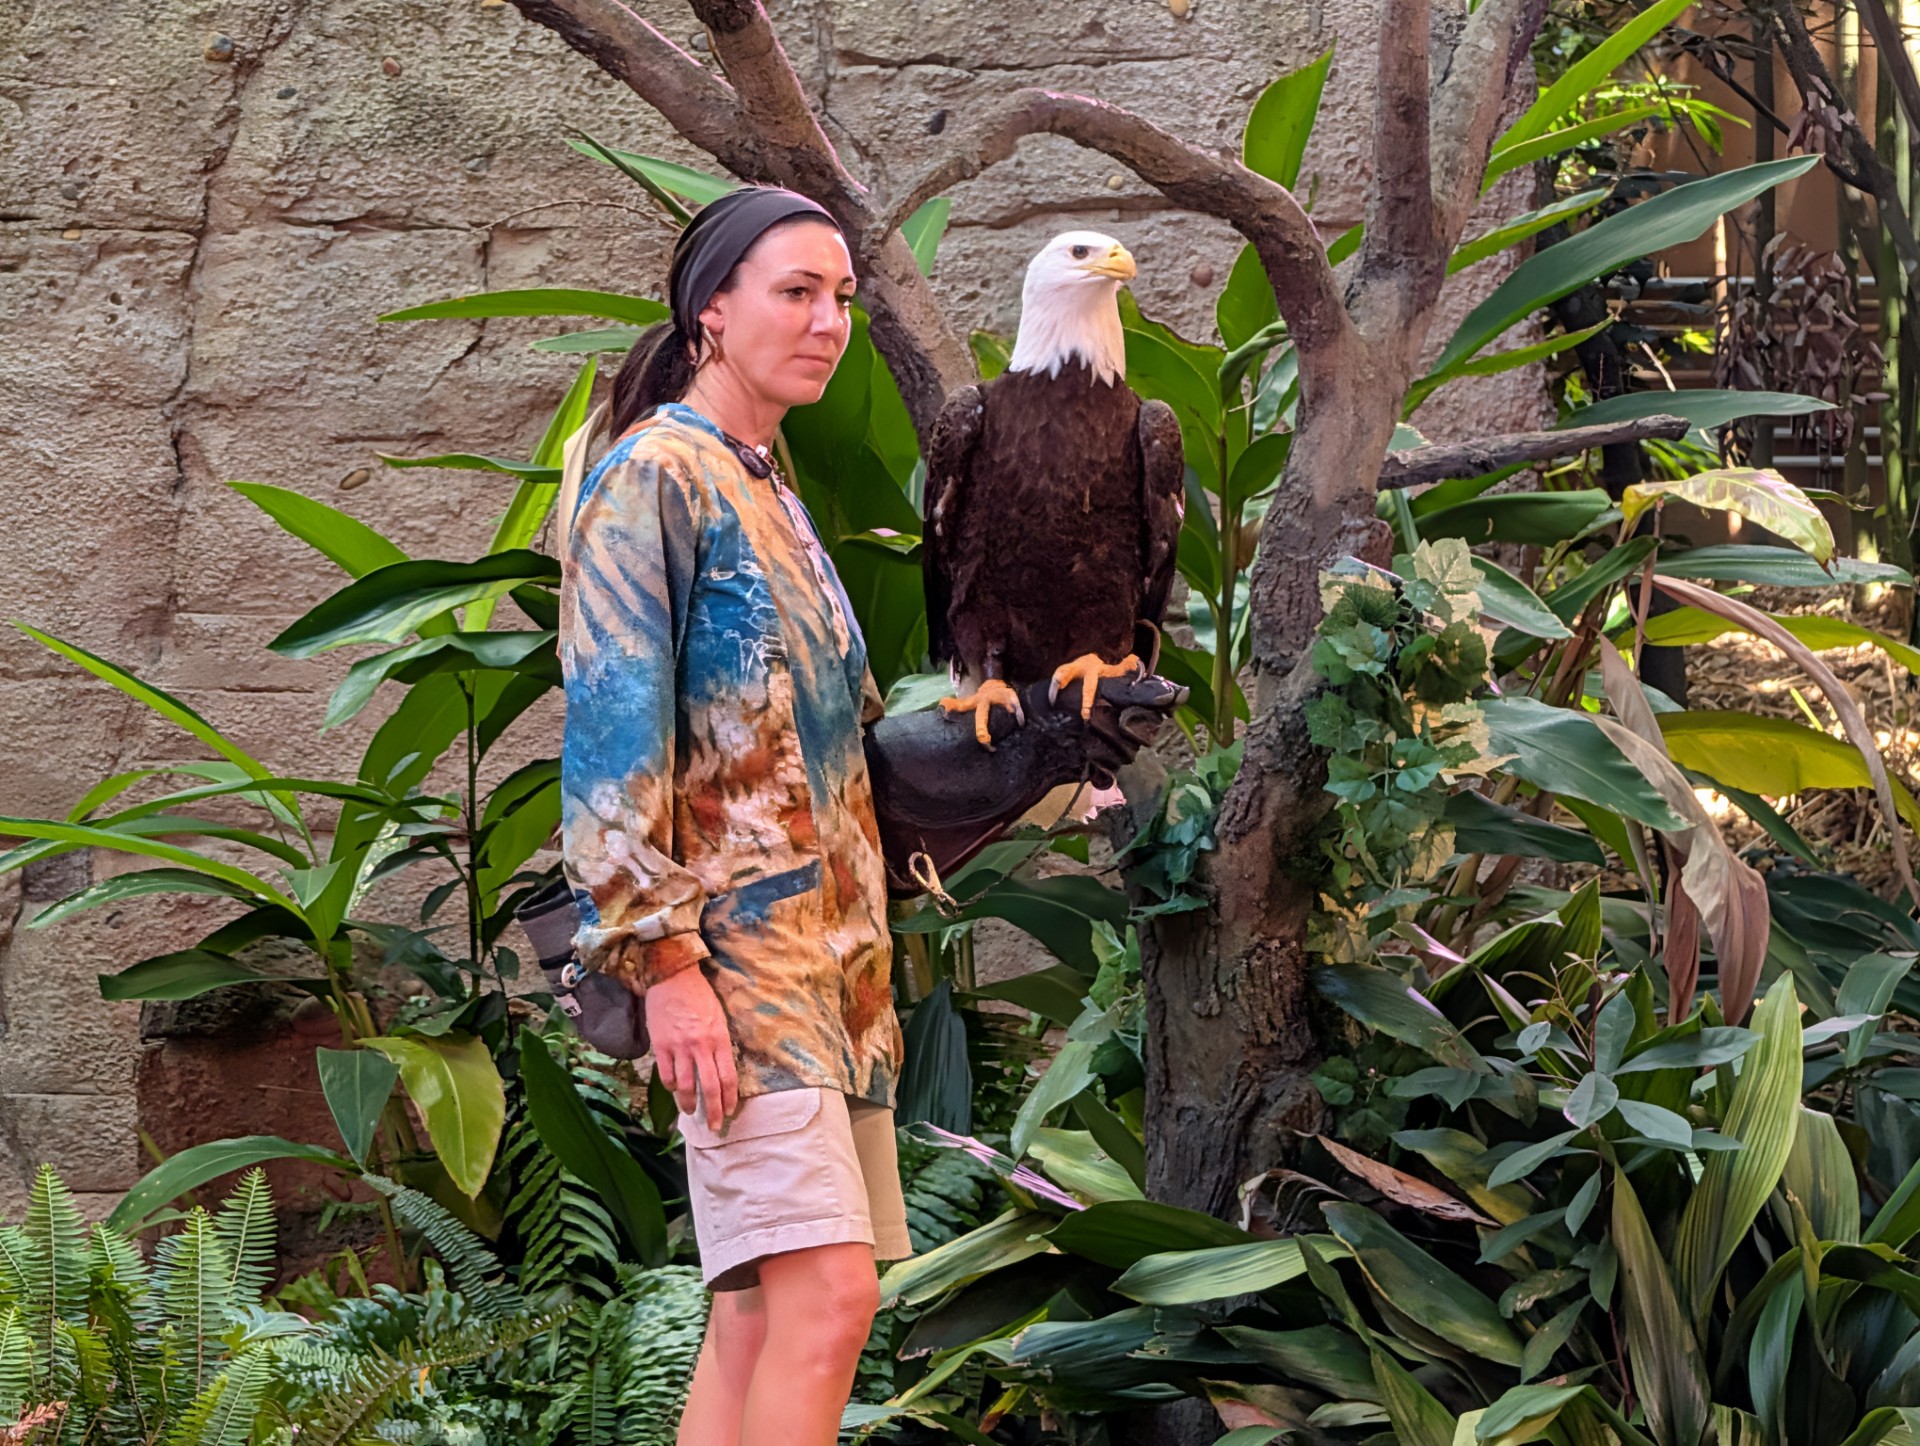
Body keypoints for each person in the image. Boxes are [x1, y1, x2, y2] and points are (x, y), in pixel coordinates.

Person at [556, 184, 1181, 1446]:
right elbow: (610, 742)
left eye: (840, 296)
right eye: (795, 292)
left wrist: (1010, 750)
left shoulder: (765, 489)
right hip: (737, 968)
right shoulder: (657, 476)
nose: (828, 322)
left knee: (758, 1315)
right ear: (711, 311)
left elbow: (817, 753)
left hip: (841, 969)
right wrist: (664, 968)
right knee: (829, 1301)